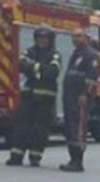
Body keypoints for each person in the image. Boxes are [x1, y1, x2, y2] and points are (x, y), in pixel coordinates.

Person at [6, 25, 62, 167]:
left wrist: (34, 69)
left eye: (45, 38)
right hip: (28, 97)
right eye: (39, 38)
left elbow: (53, 73)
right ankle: (16, 156)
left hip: (45, 100)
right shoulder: (29, 51)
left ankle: (35, 157)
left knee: (40, 129)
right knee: (21, 126)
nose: (42, 41)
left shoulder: (55, 54)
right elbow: (21, 64)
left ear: (50, 40)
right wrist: (40, 69)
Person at [60, 28, 100, 172]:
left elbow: (92, 77)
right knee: (70, 128)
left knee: (78, 129)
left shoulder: (91, 55)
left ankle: (78, 161)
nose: (75, 39)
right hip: (69, 98)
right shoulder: (76, 54)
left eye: (78, 36)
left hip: (80, 99)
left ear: (87, 38)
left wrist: (85, 94)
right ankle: (72, 159)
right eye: (73, 36)